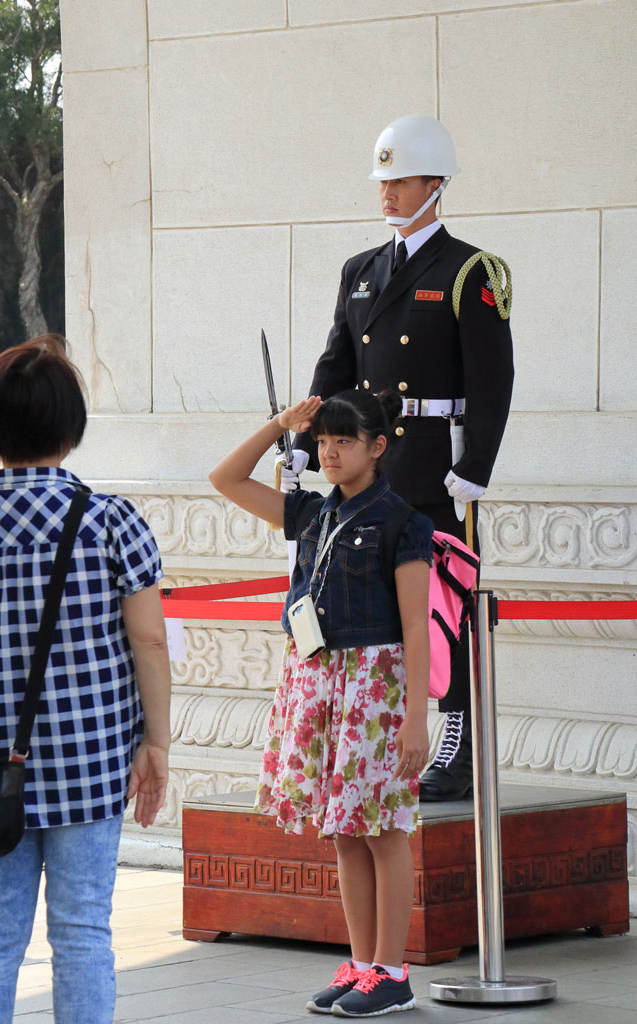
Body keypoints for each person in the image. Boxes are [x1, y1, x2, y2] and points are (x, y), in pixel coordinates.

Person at [292, 114, 515, 802]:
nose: (386, 192)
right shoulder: (359, 271)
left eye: (400, 179)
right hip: (369, 468)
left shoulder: (467, 270)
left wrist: (474, 465)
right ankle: (387, 732)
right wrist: (305, 443)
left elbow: (492, 377)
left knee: (443, 611)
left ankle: (456, 741)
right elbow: (336, 365)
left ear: (435, 183)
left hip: (431, 470)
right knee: (378, 609)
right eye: (382, 180)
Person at [0, 336, 171, 1024]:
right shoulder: (109, 522)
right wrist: (155, 742)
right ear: (70, 428)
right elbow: (149, 640)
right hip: (90, 760)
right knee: (81, 934)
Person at [210, 389, 433, 1017]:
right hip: (319, 679)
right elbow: (224, 477)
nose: (329, 452)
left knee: (384, 830)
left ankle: (393, 971)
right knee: (343, 830)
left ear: (377, 447)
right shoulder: (311, 512)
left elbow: (415, 626)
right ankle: (364, 965)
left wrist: (416, 717)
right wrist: (280, 425)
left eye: (344, 440)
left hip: (375, 686)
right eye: (323, 440)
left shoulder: (404, 523)